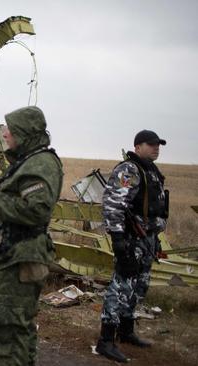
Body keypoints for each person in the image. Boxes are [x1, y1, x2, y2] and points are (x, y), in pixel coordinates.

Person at [0, 106, 63, 366]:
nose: (5, 135)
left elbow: (38, 210)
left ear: (24, 133)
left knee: (8, 332)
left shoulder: (40, 163)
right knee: (18, 330)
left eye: (10, 130)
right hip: (14, 257)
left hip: (20, 259)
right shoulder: (30, 160)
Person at [96, 130, 168, 363]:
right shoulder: (129, 170)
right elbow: (114, 205)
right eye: (151, 144)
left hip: (147, 239)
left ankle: (126, 331)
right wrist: (118, 240)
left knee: (139, 287)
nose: (156, 148)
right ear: (137, 147)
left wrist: (154, 240)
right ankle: (106, 340)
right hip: (130, 239)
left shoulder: (151, 171)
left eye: (158, 144)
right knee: (121, 286)